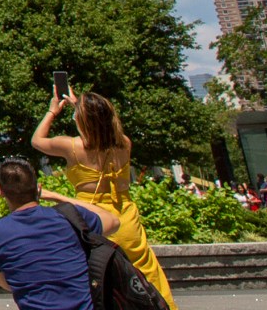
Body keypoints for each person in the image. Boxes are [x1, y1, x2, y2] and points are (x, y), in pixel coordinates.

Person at [33, 90, 177, 309]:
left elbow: (38, 140)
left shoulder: (73, 146)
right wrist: (79, 107)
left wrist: (53, 111)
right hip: (126, 216)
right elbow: (99, 127)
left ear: (82, 120)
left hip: (93, 217)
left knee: (100, 276)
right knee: (144, 270)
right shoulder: (124, 144)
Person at [0, 157, 120, 310]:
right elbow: (113, 221)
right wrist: (57, 197)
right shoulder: (68, 218)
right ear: (38, 188)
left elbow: (6, 283)